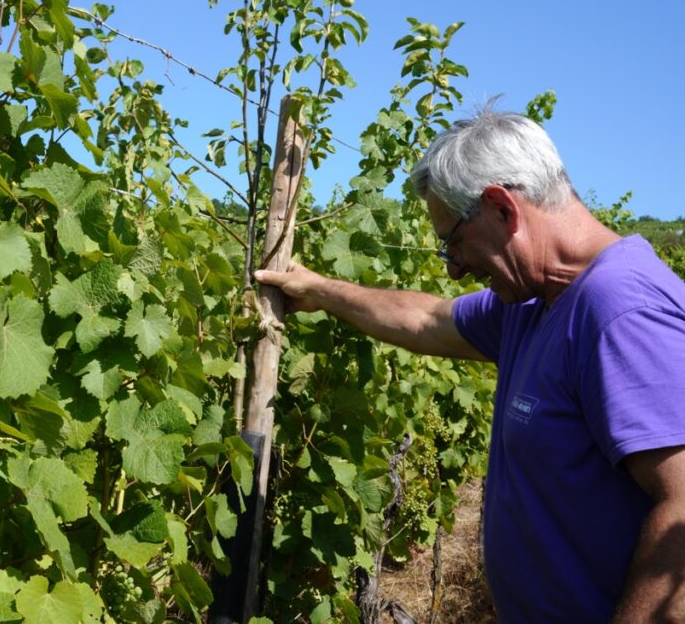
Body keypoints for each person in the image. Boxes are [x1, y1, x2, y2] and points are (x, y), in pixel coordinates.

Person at [254, 107, 685, 623]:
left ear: (503, 208)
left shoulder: (619, 311)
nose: (455, 267)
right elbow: (425, 320)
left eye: (454, 240)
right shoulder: (532, 303)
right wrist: (321, 290)